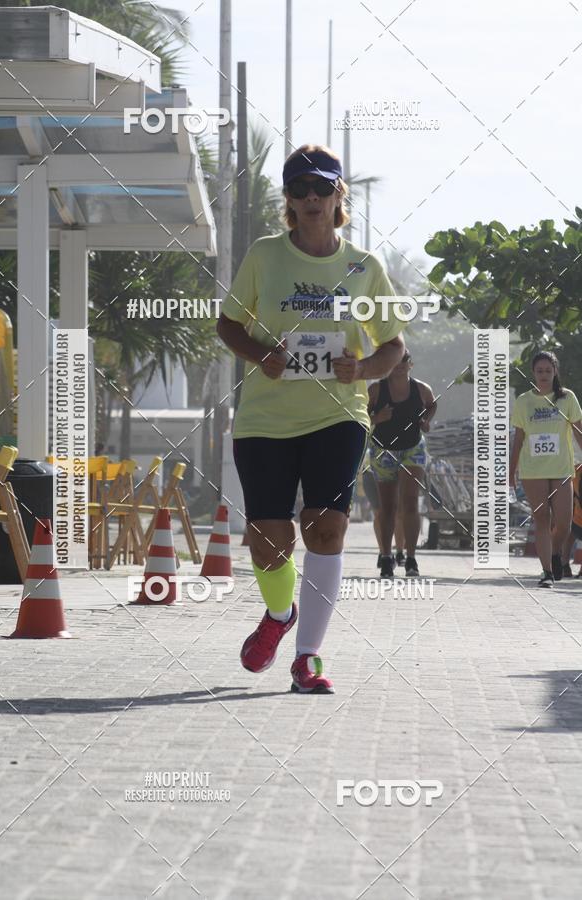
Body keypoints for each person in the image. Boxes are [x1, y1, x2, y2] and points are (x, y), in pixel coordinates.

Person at [217, 144, 404, 693]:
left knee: (325, 529)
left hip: (338, 415)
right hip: (264, 420)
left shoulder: (364, 267)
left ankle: (308, 659)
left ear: (339, 195)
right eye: (300, 190)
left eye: (323, 188)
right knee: (268, 543)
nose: (312, 198)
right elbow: (229, 325)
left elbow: (392, 347)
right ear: (289, 201)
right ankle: (280, 616)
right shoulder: (265, 256)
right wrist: (262, 356)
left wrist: (362, 367)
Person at [509, 351, 582, 588]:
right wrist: (511, 471)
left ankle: (556, 551)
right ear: (533, 373)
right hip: (533, 470)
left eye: (548, 371)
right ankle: (546, 572)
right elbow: (518, 439)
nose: (543, 375)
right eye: (539, 371)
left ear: (554, 372)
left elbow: (578, 431)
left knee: (564, 523)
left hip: (561, 468)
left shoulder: (567, 398)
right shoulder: (523, 401)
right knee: (542, 519)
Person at [367, 349, 437, 578]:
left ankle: (411, 558)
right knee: (388, 507)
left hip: (413, 449)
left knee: (410, 503)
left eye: (403, 361)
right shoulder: (377, 389)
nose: (398, 365)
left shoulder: (421, 389)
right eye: (394, 361)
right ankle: (386, 557)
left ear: (410, 364)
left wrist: (426, 420)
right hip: (383, 450)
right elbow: (361, 415)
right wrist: (378, 418)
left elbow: (431, 404)